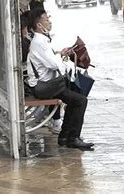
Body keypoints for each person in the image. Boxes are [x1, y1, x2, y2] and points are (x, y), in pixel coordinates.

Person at [27, 8, 93, 150]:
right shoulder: (39, 42)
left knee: (76, 99)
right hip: (44, 87)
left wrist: (60, 53)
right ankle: (72, 137)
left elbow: (51, 60)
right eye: (46, 19)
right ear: (39, 25)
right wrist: (61, 57)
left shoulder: (41, 41)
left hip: (49, 84)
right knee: (80, 100)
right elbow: (53, 64)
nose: (49, 22)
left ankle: (65, 136)